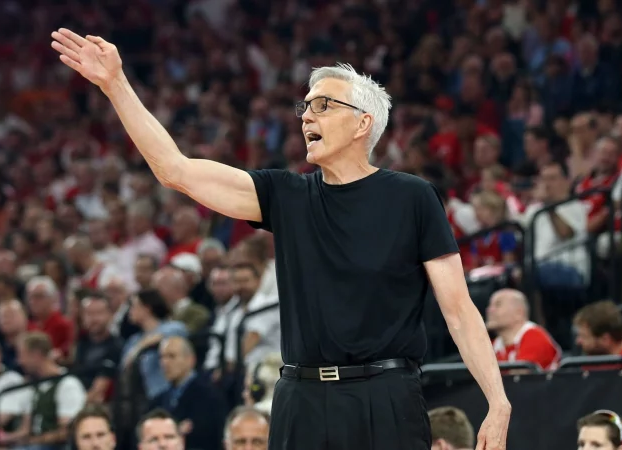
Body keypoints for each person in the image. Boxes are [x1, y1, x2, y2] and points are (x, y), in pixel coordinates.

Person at [50, 29, 510, 449]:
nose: (307, 114)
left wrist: (498, 399)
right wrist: (115, 85)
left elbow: (458, 308)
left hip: (385, 395)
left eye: (323, 105)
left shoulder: (412, 197)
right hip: (300, 397)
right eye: (305, 106)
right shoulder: (286, 194)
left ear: (363, 123)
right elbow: (176, 170)